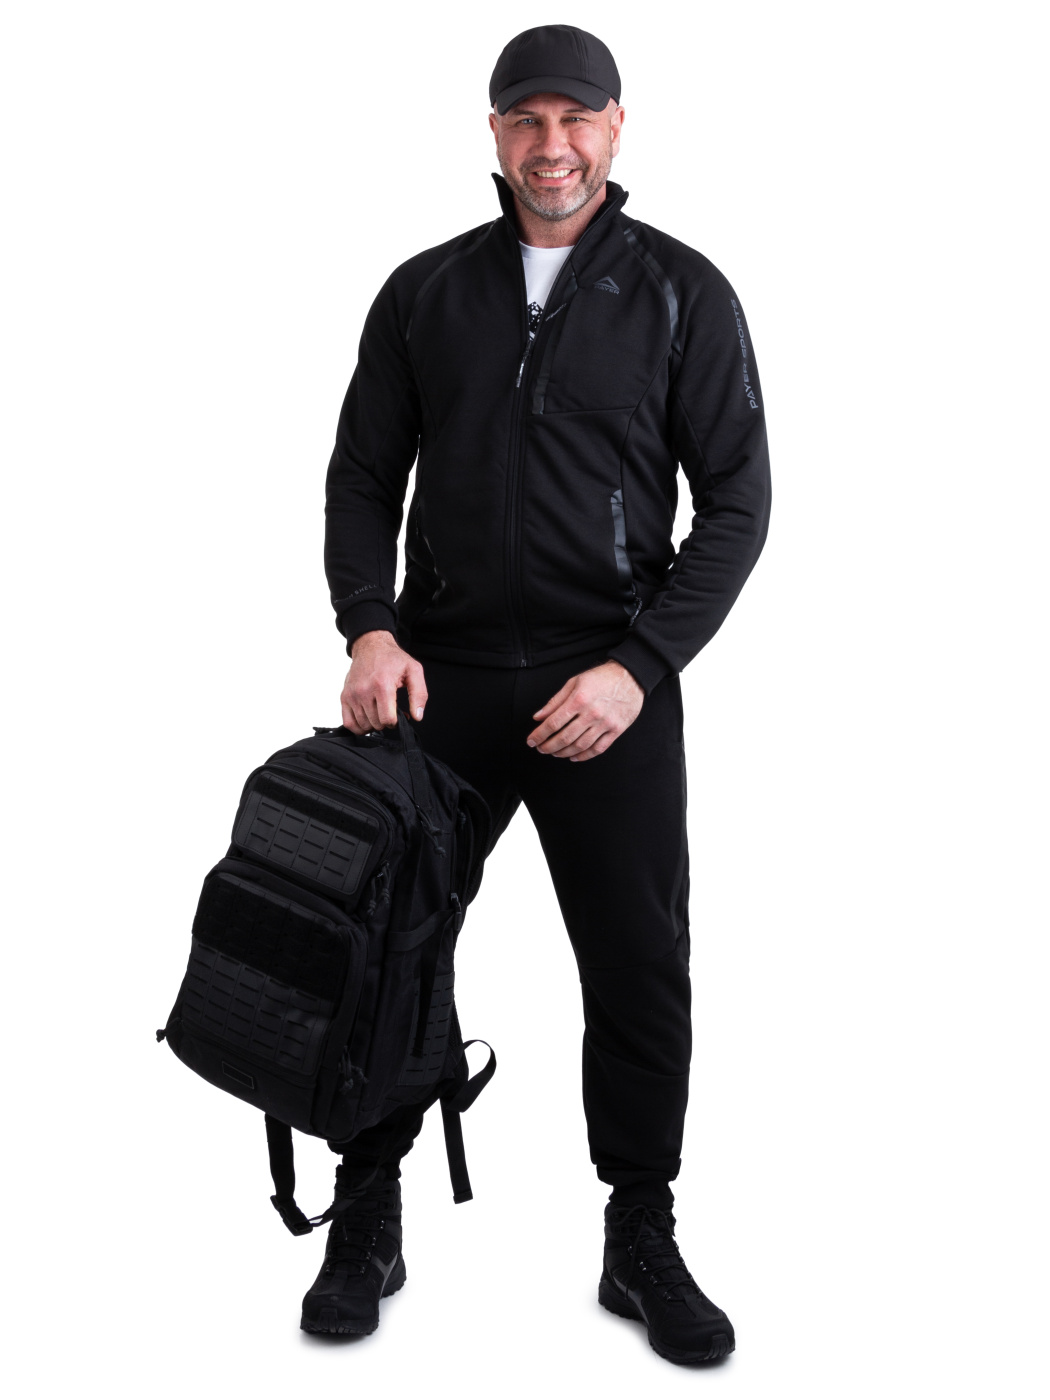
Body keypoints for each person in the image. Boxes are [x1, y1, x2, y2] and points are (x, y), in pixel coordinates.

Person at [310, 24, 771, 1365]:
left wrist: (638, 668)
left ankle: (640, 1229)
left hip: (602, 685)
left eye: (576, 119)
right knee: (385, 942)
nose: (551, 146)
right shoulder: (425, 293)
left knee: (638, 963)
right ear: (495, 134)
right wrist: (370, 628)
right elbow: (361, 478)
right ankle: (369, 1207)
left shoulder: (682, 293)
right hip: (435, 680)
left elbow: (738, 505)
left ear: (617, 128)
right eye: (527, 120)